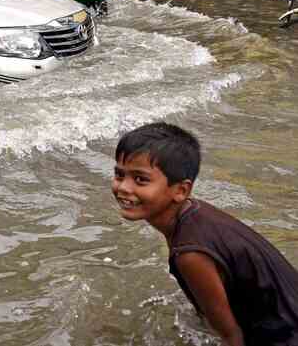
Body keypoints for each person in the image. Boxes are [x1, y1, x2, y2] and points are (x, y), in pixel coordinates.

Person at [113, 123, 298, 345]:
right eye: (119, 174)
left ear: (181, 190)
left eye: (140, 179)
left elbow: (231, 336)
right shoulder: (195, 215)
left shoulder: (190, 254)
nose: (123, 187)